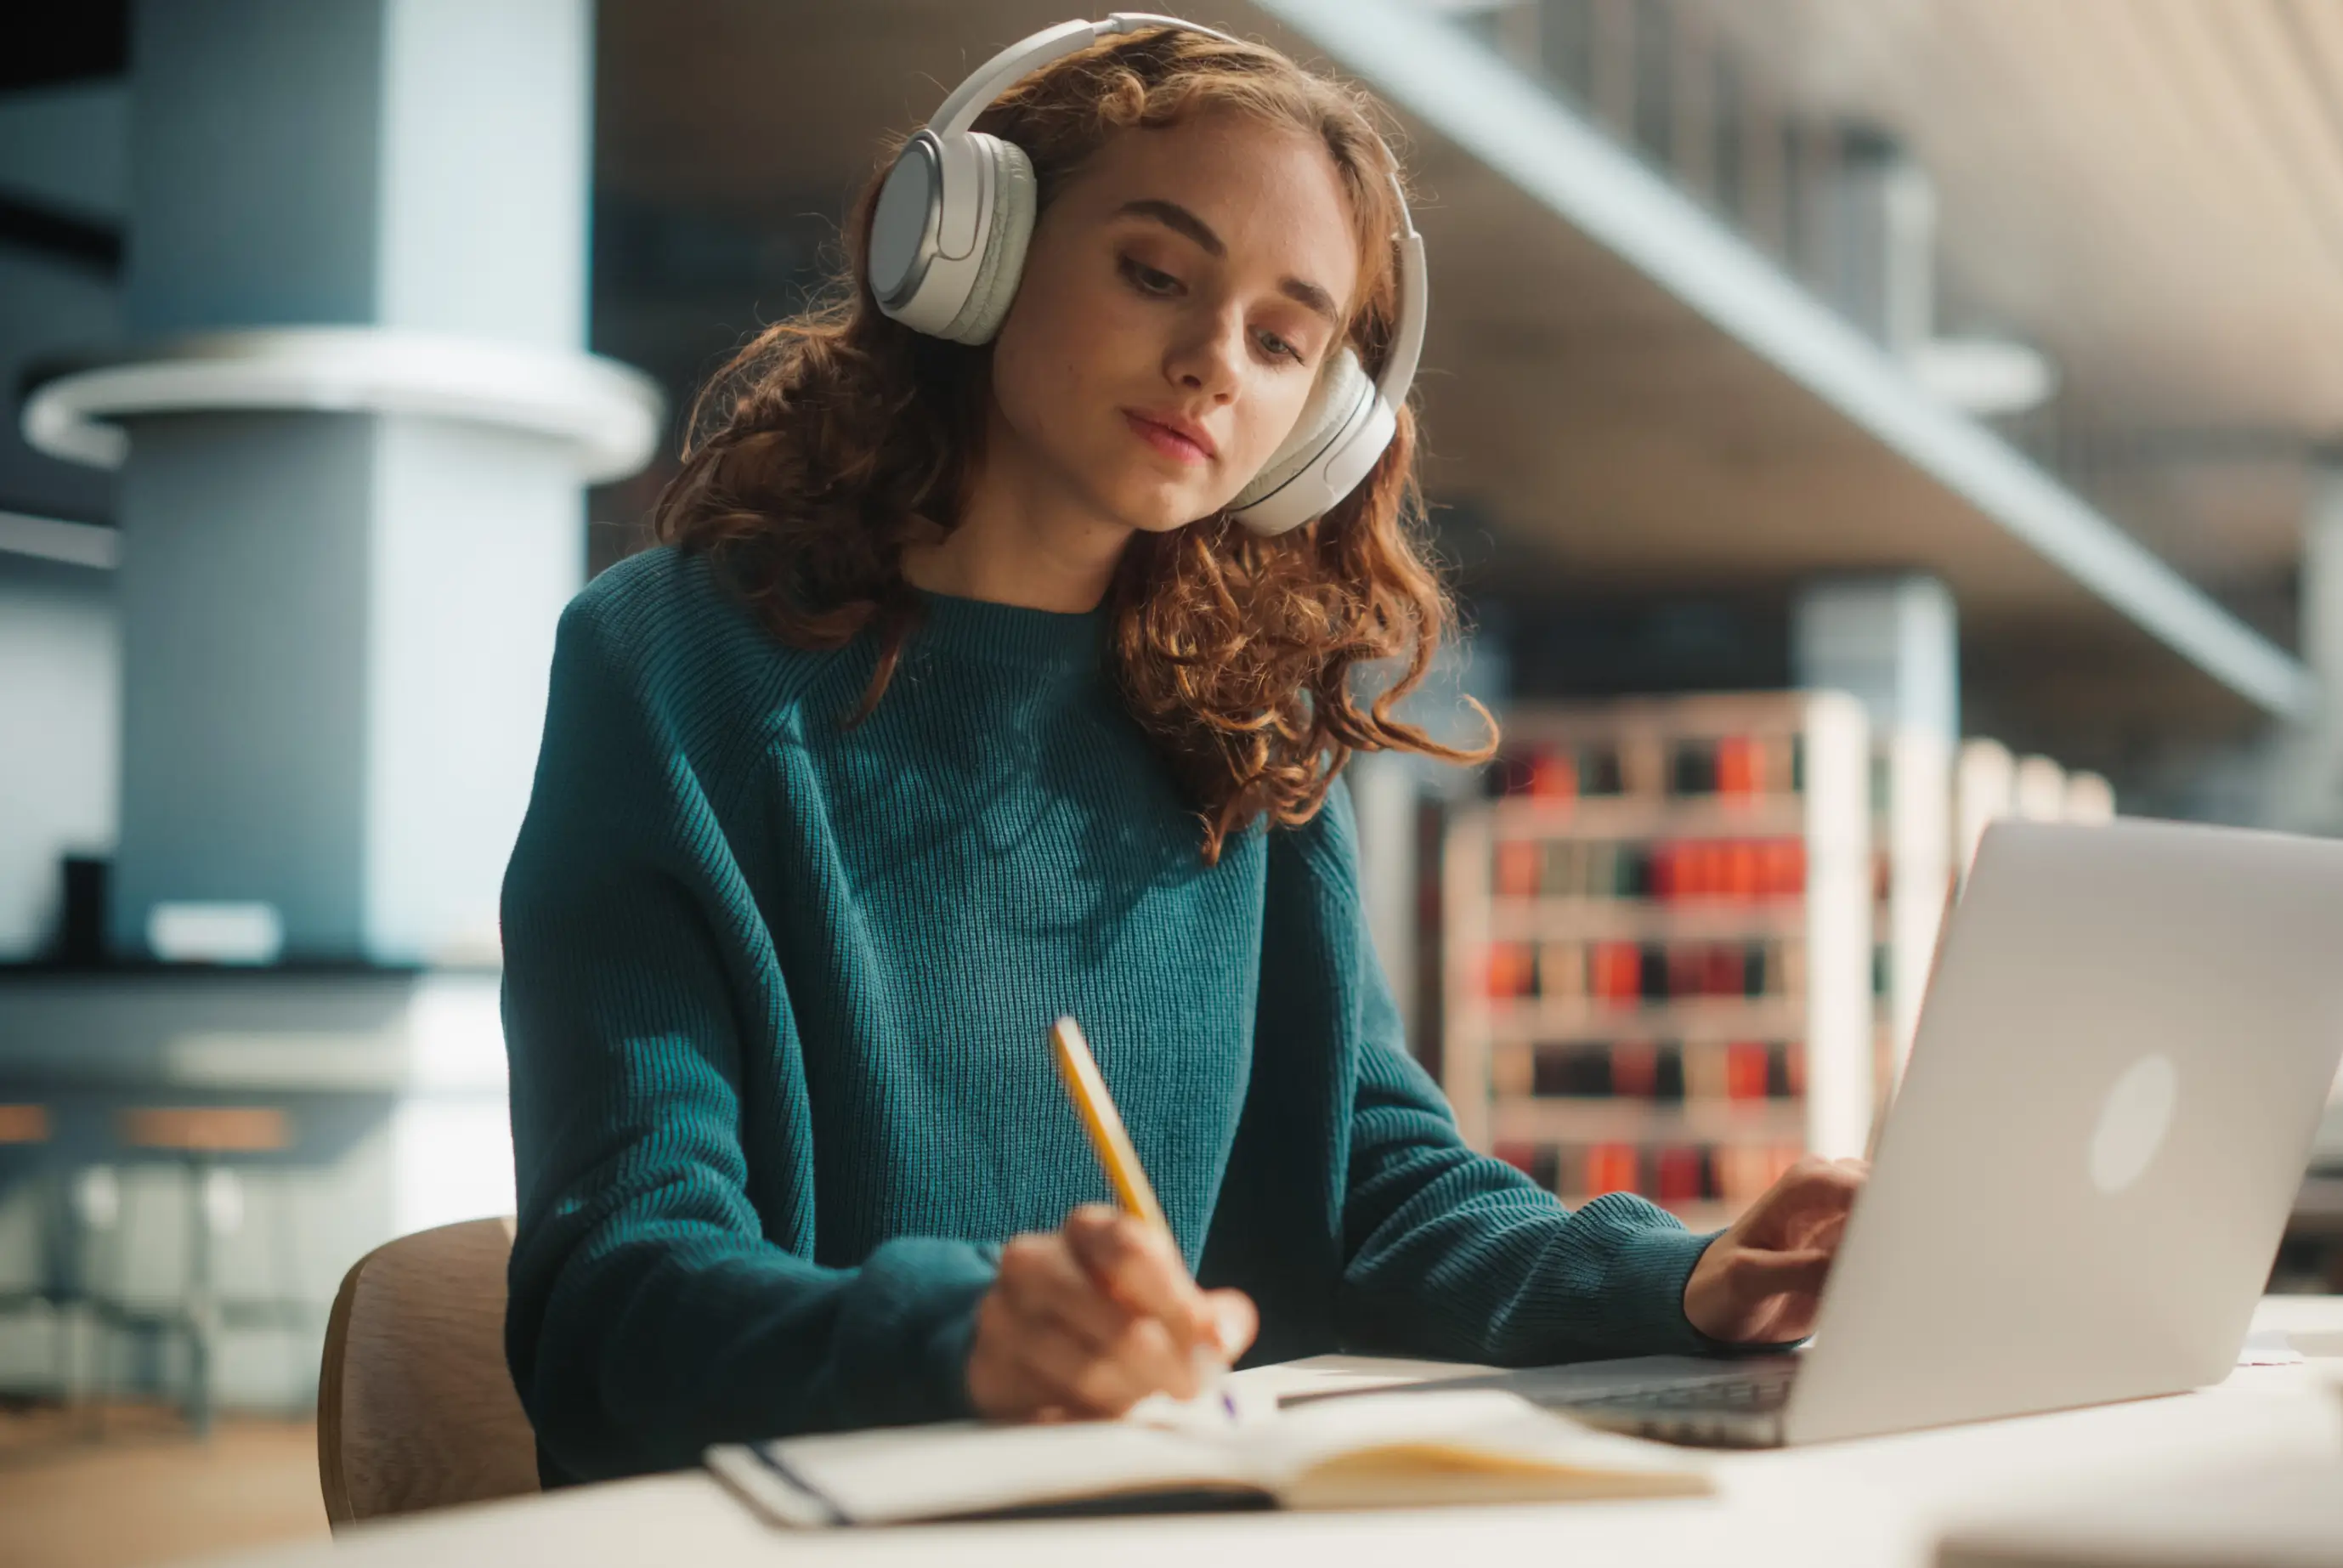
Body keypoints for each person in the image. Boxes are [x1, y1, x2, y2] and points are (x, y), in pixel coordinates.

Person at [500, 17, 1865, 1488]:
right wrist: (961, 1343)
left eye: (1284, 339)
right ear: (977, 248)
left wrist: (1683, 1279)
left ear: (1318, 423)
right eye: (1157, 273)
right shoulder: (674, 666)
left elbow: (1381, 1191)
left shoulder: (1246, 726)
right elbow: (617, 1284)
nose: (1214, 364)